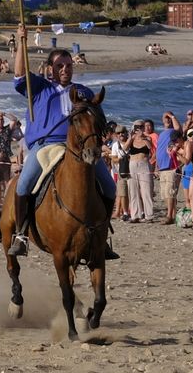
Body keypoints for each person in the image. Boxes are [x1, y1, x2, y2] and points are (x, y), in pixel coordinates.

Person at [7, 25, 119, 258]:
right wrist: (21, 42)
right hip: (45, 146)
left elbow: (97, 120)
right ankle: (21, 234)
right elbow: (18, 74)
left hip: (79, 148)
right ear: (51, 68)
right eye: (60, 66)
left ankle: (102, 235)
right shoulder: (40, 87)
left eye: (68, 65)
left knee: (109, 186)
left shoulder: (83, 92)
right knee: (23, 184)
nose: (65, 69)